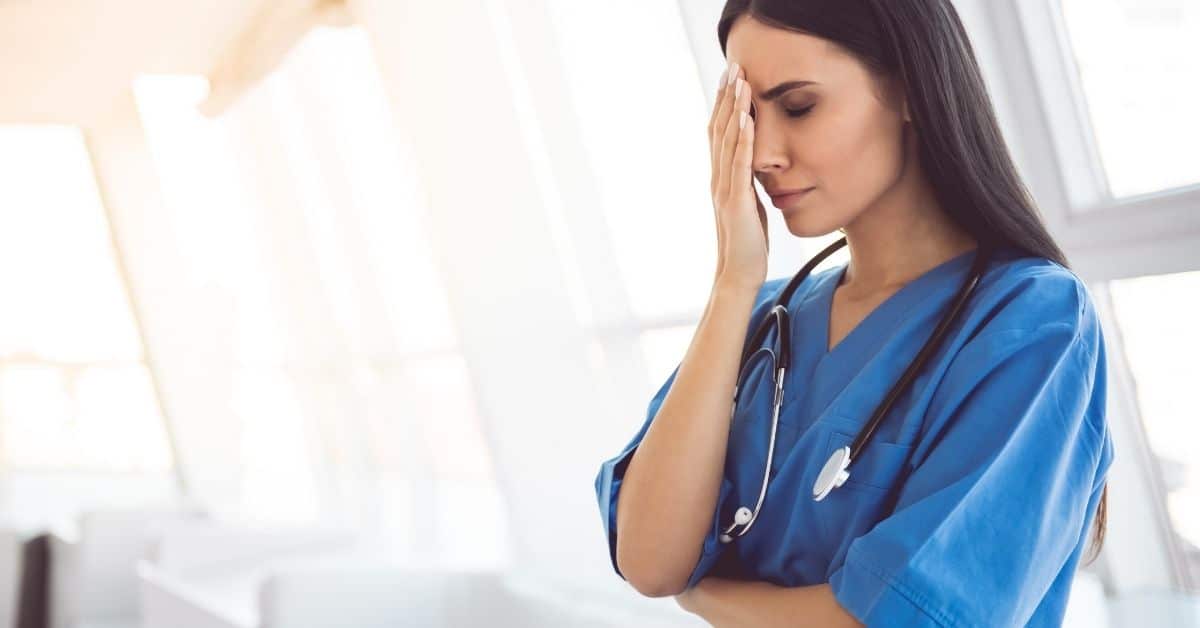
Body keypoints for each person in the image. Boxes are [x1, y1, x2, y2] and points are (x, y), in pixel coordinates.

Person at [592, 1, 1114, 626]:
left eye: (799, 106)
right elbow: (650, 562)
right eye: (748, 117)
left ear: (911, 88)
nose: (761, 155)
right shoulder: (760, 318)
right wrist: (733, 282)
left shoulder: (1031, 321)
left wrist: (708, 596)